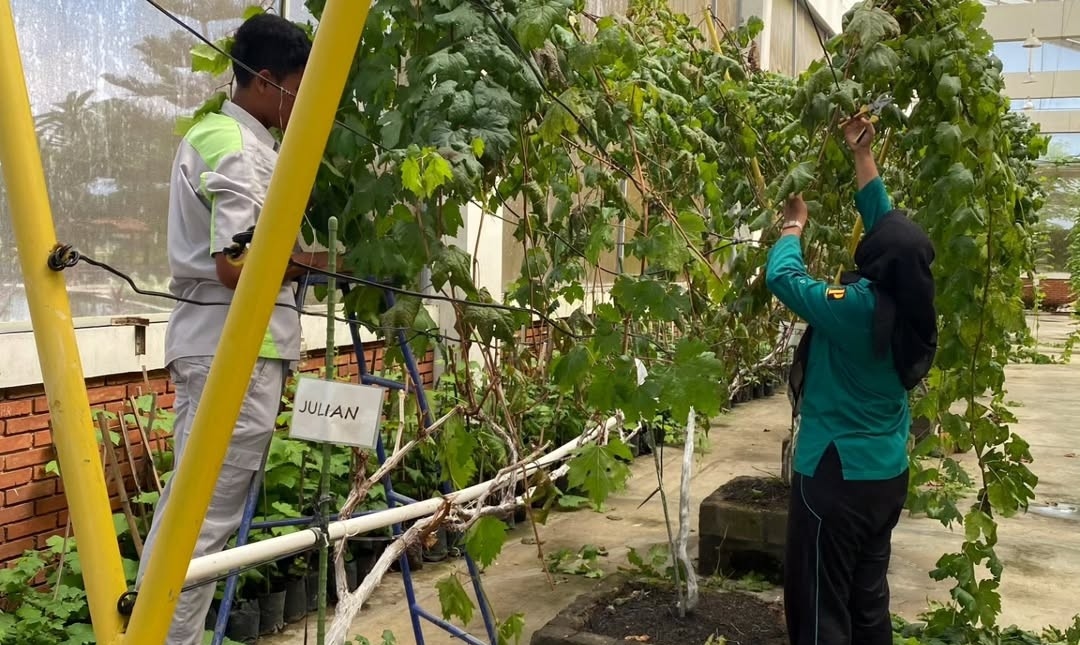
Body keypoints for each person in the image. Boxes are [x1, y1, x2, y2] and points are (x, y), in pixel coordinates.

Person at [136, 13, 330, 644]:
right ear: (268, 81)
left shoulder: (233, 138)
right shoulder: (235, 146)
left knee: (192, 514)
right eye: (300, 86)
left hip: (229, 348)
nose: (304, 101)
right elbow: (236, 263)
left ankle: (153, 631)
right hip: (232, 351)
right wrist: (319, 264)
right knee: (202, 523)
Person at [765, 114, 937, 645]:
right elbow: (891, 229)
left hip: (834, 481)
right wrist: (863, 155)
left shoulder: (857, 309)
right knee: (867, 605)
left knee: (819, 611)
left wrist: (793, 225)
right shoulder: (913, 301)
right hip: (885, 476)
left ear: (876, 260)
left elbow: (784, 279)